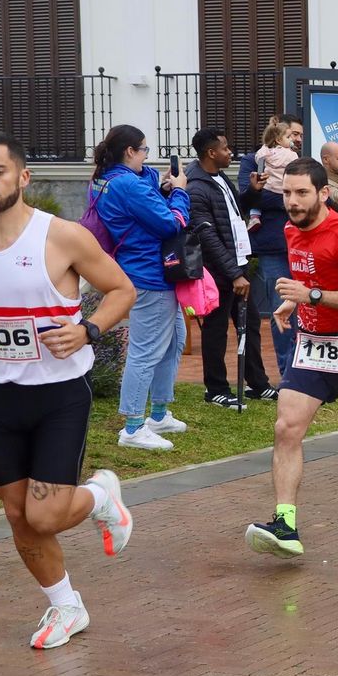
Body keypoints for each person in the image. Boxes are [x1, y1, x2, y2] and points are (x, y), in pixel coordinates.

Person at [0, 131, 136, 648]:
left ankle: (100, 495)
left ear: (22, 177)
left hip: (58, 393)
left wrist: (89, 330)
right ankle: (66, 607)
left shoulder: (61, 237)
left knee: (45, 513)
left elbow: (122, 289)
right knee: (18, 514)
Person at [244, 158, 338, 559]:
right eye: (287, 192)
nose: (292, 201)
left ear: (324, 193)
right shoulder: (290, 228)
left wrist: (311, 296)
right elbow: (310, 278)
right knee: (287, 426)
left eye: (302, 192)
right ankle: (285, 523)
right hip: (312, 345)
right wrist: (295, 301)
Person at [91, 125, 190, 450]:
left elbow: (144, 190)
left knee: (175, 340)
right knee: (145, 350)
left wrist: (160, 183)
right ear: (130, 151)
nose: (147, 156)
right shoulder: (129, 186)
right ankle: (133, 427)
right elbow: (170, 223)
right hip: (148, 275)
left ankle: (159, 413)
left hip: (142, 270)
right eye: (144, 150)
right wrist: (179, 193)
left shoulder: (107, 178)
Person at [185, 127, 272, 408]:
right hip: (220, 271)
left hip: (238, 264)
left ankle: (258, 385)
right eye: (225, 148)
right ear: (211, 153)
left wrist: (253, 193)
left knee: (251, 324)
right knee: (216, 330)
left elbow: (234, 212)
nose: (230, 152)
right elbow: (206, 235)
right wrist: (233, 273)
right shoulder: (196, 187)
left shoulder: (219, 177)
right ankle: (216, 389)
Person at [242, 113, 303, 379]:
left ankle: (309, 372)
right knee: (282, 311)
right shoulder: (252, 160)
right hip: (273, 247)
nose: (299, 139)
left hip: (305, 245)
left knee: (310, 309)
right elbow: (249, 197)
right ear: (279, 135)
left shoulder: (298, 161)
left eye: (300, 135)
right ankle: (288, 374)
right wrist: (291, 200)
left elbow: (312, 197)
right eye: (294, 134)